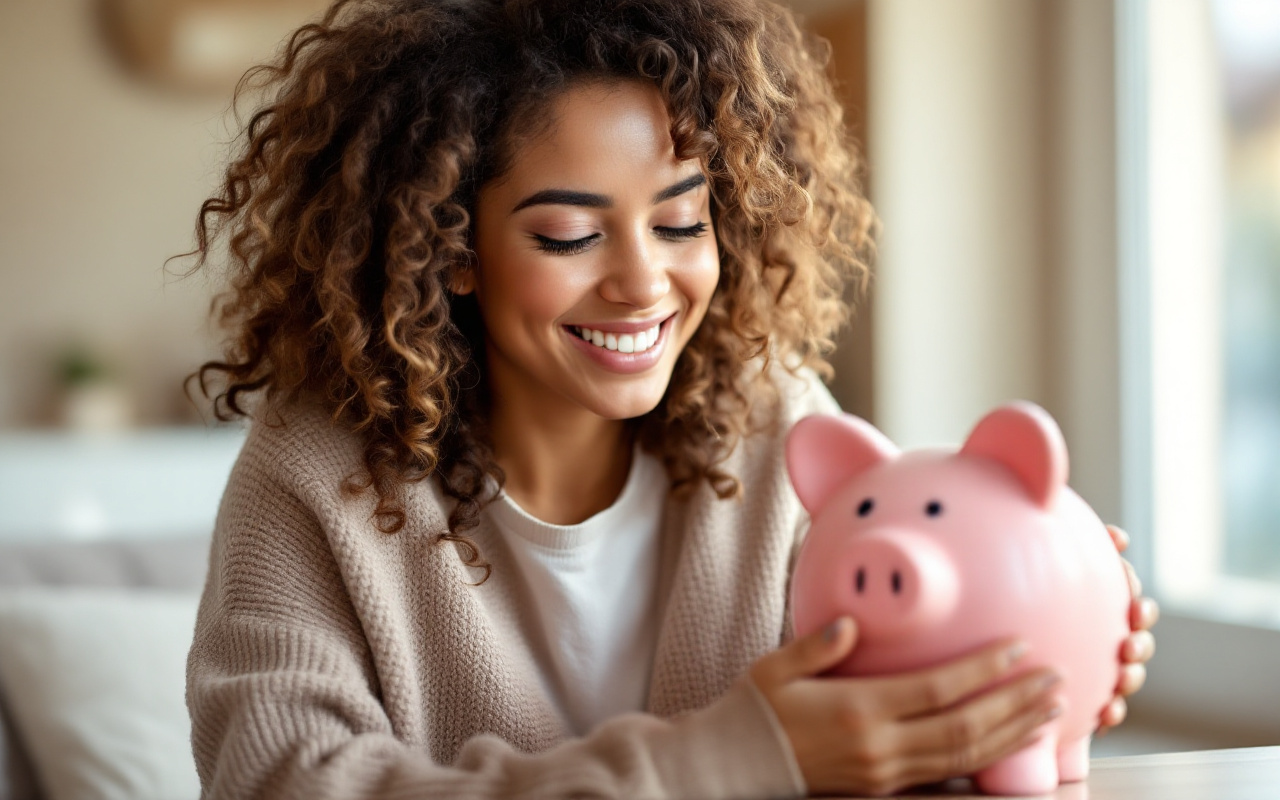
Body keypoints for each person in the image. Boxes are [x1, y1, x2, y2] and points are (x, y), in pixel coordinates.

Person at [182, 0, 1158, 797]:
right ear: (449, 248)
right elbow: (282, 779)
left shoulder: (777, 422)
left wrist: (1021, 661)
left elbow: (877, 725)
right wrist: (737, 759)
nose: (643, 282)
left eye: (681, 221)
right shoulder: (314, 471)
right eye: (568, 235)